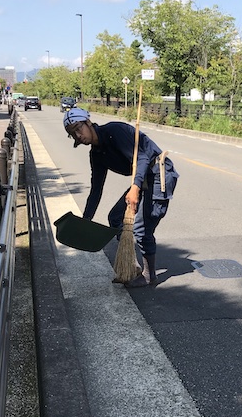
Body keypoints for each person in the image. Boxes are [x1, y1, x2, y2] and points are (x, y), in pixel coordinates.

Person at [63, 107, 179, 287]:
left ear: (88, 122)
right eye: (73, 134)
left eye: (79, 128)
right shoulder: (96, 153)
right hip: (141, 179)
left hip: (158, 175)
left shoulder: (114, 131)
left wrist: (134, 188)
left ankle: (149, 276)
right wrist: (85, 219)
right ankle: (130, 266)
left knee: (141, 228)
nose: (78, 135)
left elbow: (141, 158)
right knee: (116, 218)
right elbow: (96, 189)